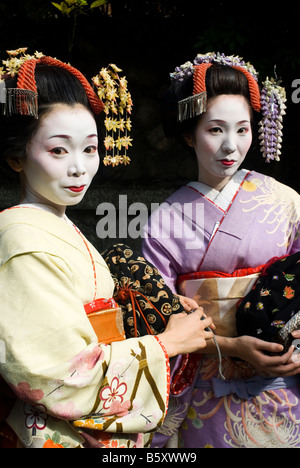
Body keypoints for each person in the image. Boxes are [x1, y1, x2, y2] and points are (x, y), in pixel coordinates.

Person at [0, 48, 214, 448]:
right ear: (16, 156)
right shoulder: (20, 239)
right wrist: (167, 344)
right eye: (58, 150)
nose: (79, 167)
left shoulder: (55, 226)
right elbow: (57, 376)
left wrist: (156, 307)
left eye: (90, 148)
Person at [142, 52, 300, 448]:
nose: (231, 146)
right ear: (187, 134)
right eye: (215, 130)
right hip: (205, 387)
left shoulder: (285, 202)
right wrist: (229, 345)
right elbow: (153, 315)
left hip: (284, 384)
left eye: (243, 130)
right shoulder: (163, 223)